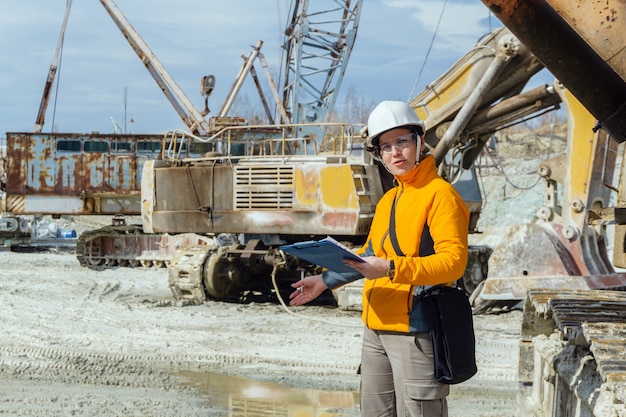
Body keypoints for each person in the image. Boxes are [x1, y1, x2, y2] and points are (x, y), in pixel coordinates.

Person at [289, 100, 470, 417]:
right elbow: (370, 255)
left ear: (420, 142)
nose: (395, 152)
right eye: (386, 146)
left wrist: (390, 268)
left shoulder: (440, 195)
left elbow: (453, 263)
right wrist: (324, 281)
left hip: (416, 331)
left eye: (402, 141)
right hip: (375, 330)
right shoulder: (389, 199)